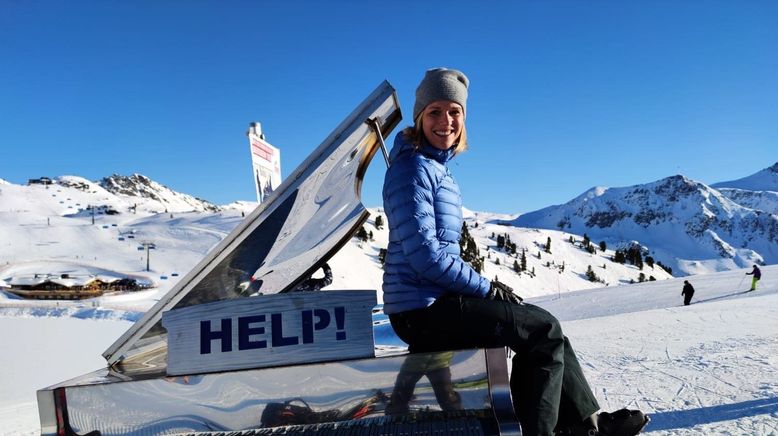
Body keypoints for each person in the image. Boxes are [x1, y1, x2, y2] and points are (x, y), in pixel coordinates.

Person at [382, 68, 648, 436]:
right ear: (419, 117)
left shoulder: (434, 169)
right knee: (542, 330)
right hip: (420, 310)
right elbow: (425, 256)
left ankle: (586, 423)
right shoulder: (411, 169)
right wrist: (485, 288)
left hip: (434, 300)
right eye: (435, 111)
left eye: (455, 112)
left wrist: (485, 289)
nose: (446, 121)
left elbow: (440, 254)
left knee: (538, 321)